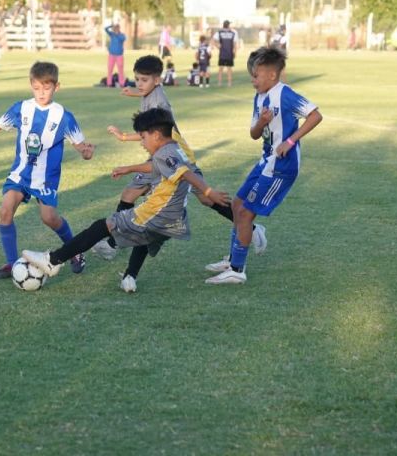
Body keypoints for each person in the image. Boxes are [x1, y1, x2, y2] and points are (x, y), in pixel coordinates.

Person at [22, 108, 230, 293]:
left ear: (157, 135)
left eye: (143, 137)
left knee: (103, 225)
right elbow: (160, 167)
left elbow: (185, 173)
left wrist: (209, 191)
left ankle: (52, 260)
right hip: (174, 221)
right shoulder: (173, 149)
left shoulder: (166, 154)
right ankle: (129, 277)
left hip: (156, 214)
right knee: (144, 236)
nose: (141, 142)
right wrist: (129, 169)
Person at [96, 55, 265, 260]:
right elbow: (146, 99)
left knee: (204, 198)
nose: (139, 84)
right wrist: (133, 93)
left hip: (174, 155)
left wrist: (123, 136)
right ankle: (113, 243)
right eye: (137, 79)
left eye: (144, 80)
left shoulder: (160, 105)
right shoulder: (151, 92)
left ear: (157, 80)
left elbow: (154, 132)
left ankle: (251, 227)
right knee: (129, 194)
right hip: (163, 154)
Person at [0, 62, 95, 280]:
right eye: (37, 87)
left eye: (46, 88)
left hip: (45, 179)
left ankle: (75, 251)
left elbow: (81, 146)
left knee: (49, 218)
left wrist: (86, 153)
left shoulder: (64, 117)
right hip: (20, 174)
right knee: (5, 211)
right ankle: (12, 264)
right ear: (31, 84)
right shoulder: (21, 108)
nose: (41, 93)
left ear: (56, 87)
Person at [205, 46, 322, 284]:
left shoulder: (285, 94)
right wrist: (262, 121)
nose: (252, 80)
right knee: (237, 204)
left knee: (246, 213)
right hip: (265, 162)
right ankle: (232, 259)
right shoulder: (259, 98)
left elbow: (315, 115)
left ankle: (237, 270)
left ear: (271, 75)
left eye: (256, 76)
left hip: (282, 166)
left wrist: (290, 140)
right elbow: (253, 134)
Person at [212, 20, 239, 87]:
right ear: (228, 25)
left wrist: (218, 46)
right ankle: (229, 83)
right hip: (229, 54)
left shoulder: (219, 32)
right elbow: (235, 44)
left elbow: (213, 40)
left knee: (221, 68)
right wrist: (235, 52)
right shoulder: (233, 33)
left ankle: (219, 83)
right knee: (229, 69)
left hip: (222, 54)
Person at [105, 23, 126, 88]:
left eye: (117, 28)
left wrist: (117, 34)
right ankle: (109, 83)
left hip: (119, 55)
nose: (116, 29)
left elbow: (122, 39)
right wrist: (111, 25)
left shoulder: (122, 35)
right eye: (115, 28)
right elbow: (105, 29)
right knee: (110, 69)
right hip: (111, 55)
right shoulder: (112, 35)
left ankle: (121, 83)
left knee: (120, 70)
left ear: (119, 29)